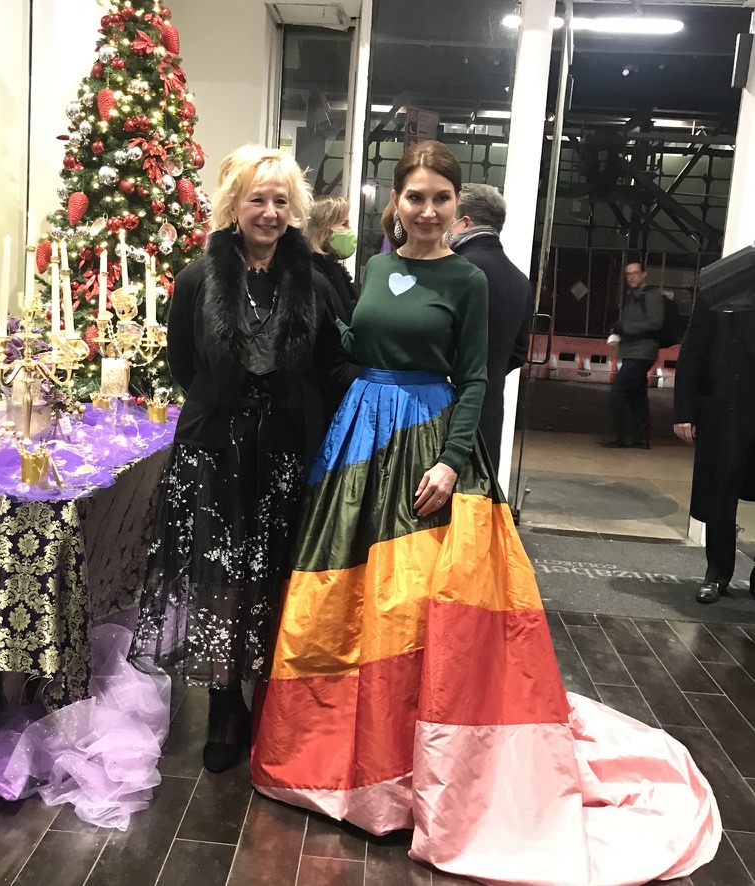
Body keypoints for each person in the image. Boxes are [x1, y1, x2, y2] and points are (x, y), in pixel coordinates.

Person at [250, 141, 719, 885]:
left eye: (441, 198)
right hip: (359, 441)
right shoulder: (373, 267)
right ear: (395, 202)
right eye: (415, 196)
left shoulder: (468, 280)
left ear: (456, 206)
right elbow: (358, 346)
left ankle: (412, 766)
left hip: (428, 444)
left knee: (417, 610)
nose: (427, 210)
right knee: (347, 602)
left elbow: (474, 378)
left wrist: (450, 460)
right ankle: (338, 752)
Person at [129, 144, 354, 774]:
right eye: (258, 199)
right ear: (234, 205)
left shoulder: (316, 282)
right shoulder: (196, 280)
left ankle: (274, 701)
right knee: (221, 578)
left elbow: (332, 363)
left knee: (278, 573)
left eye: (281, 201)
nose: (270, 212)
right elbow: (183, 362)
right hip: (213, 453)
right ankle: (226, 705)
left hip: (286, 450)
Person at [673, 292, 755, 604]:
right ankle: (717, 574)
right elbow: (693, 351)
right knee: (722, 494)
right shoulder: (721, 289)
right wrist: (684, 411)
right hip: (728, 410)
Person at [447, 183, 532, 472]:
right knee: (477, 495)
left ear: (464, 223)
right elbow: (518, 353)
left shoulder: (452, 270)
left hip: (443, 413)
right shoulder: (520, 280)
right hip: (490, 411)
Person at [601, 261, 664, 449]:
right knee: (637, 396)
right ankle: (640, 438)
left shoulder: (651, 296)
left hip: (642, 352)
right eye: (628, 274)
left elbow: (655, 323)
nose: (631, 277)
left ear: (644, 274)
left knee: (618, 392)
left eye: (635, 273)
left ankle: (623, 436)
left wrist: (625, 328)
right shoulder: (632, 296)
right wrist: (619, 330)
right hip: (632, 351)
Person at [303, 194, 358, 324]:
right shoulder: (311, 276)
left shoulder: (333, 272)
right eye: (344, 224)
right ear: (323, 230)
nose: (349, 230)